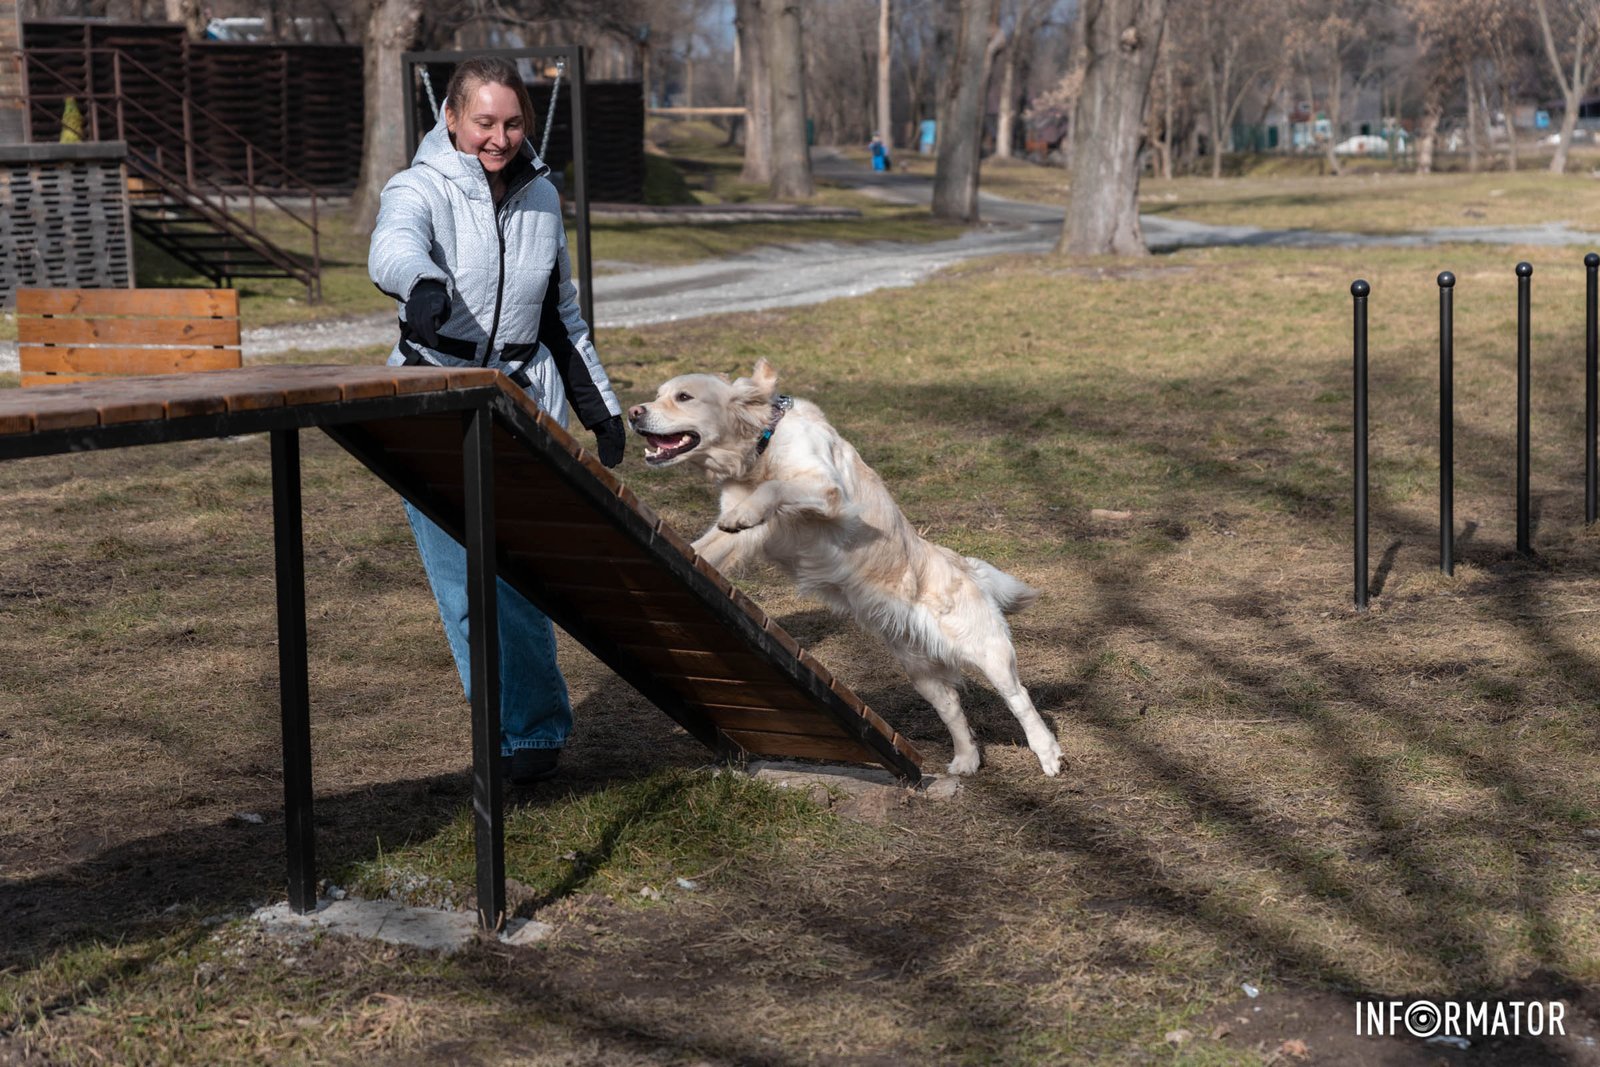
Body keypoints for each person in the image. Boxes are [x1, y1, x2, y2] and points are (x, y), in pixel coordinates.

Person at [368, 56, 625, 786]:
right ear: (451, 118)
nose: (499, 136)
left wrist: (598, 406)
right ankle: (514, 737)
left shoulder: (542, 196)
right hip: (434, 398)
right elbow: (394, 244)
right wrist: (418, 282)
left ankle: (536, 731)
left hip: (523, 402)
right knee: (465, 583)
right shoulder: (417, 186)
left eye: (513, 122)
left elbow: (559, 312)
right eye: (484, 121)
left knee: (522, 573)